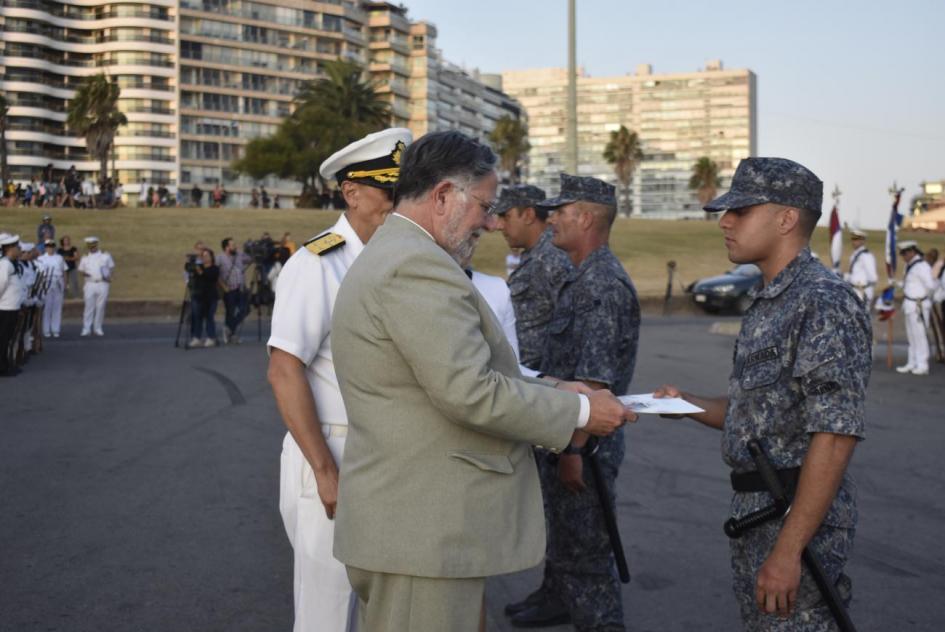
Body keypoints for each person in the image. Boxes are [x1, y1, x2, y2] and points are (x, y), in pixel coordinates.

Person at [329, 130, 634, 632]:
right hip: (420, 537)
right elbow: (469, 391)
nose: (491, 223)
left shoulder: (404, 257)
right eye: (485, 206)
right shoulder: (416, 267)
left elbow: (459, 375)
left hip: (418, 531)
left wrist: (559, 391)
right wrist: (580, 413)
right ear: (444, 195)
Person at [655, 157, 871, 631]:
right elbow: (758, 414)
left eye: (741, 211)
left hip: (796, 516)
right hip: (760, 512)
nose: (725, 222)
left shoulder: (823, 301)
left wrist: (790, 549)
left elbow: (835, 435)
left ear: (786, 218)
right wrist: (685, 403)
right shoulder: (772, 300)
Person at [267, 127, 413, 632]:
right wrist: (326, 471)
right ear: (351, 191)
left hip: (392, 457)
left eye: (405, 193)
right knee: (327, 613)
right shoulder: (318, 263)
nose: (398, 206)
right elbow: (284, 370)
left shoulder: (399, 258)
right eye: (388, 193)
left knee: (385, 608)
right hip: (335, 451)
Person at [509, 175, 640, 631]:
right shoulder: (581, 277)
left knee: (588, 566)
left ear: (584, 218)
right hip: (569, 440)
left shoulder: (601, 284)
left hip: (586, 451)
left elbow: (593, 384)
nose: (551, 223)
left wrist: (573, 452)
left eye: (560, 214)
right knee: (569, 552)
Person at [493, 184, 573, 372]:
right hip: (525, 375)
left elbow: (570, 330)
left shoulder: (551, 258)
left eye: (506, 216)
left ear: (528, 215)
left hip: (543, 380)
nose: (499, 225)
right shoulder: (535, 256)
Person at [896, 241, 936, 376]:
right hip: (909, 304)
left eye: (905, 253)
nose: (903, 256)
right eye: (902, 254)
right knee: (911, 336)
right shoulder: (909, 265)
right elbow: (909, 282)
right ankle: (912, 362)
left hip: (918, 304)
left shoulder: (922, 266)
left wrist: (922, 298)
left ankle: (922, 364)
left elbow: (930, 286)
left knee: (919, 336)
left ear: (912, 252)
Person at [78, 236, 115, 337]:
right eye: (90, 247)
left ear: (97, 245)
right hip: (90, 283)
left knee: (100, 307)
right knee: (88, 307)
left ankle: (97, 328)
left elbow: (111, 268)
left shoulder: (105, 256)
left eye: (93, 246)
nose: (92, 248)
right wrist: (85, 274)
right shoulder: (85, 258)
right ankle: (86, 328)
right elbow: (81, 270)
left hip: (102, 283)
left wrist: (108, 276)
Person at [217, 237, 252, 343]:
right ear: (226, 247)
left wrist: (250, 250)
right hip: (228, 289)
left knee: (245, 309)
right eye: (232, 245)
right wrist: (223, 286)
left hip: (241, 288)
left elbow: (250, 259)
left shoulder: (239, 255)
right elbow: (215, 273)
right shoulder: (220, 258)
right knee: (230, 312)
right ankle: (231, 335)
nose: (235, 246)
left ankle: (229, 328)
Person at [0, 233, 23, 376]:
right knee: (3, 339)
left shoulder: (9, 263)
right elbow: (0, 284)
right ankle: (2, 368)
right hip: (5, 308)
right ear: (9, 248)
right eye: (17, 247)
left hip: (11, 307)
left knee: (5, 338)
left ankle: (5, 365)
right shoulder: (5, 264)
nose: (19, 250)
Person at [189, 248, 219, 348]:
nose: (204, 258)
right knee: (198, 318)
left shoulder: (214, 268)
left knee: (210, 317)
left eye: (206, 256)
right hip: (199, 297)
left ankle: (211, 337)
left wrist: (200, 271)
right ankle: (197, 338)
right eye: (203, 256)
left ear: (211, 257)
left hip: (211, 297)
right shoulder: (199, 267)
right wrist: (192, 264)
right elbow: (189, 271)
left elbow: (209, 277)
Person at [38, 240, 67, 338]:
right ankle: (46, 330)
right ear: (45, 247)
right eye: (48, 246)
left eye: (52, 246)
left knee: (57, 308)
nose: (50, 248)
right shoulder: (41, 258)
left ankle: (55, 329)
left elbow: (64, 271)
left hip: (58, 282)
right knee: (47, 308)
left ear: (54, 247)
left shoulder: (59, 258)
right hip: (46, 283)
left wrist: (65, 284)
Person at [843, 229, 877, 309]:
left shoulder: (866, 256)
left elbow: (873, 277)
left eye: (857, 239)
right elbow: (855, 273)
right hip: (855, 290)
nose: (854, 242)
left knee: (862, 319)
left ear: (863, 241)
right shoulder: (855, 254)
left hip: (862, 291)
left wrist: (864, 287)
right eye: (853, 239)